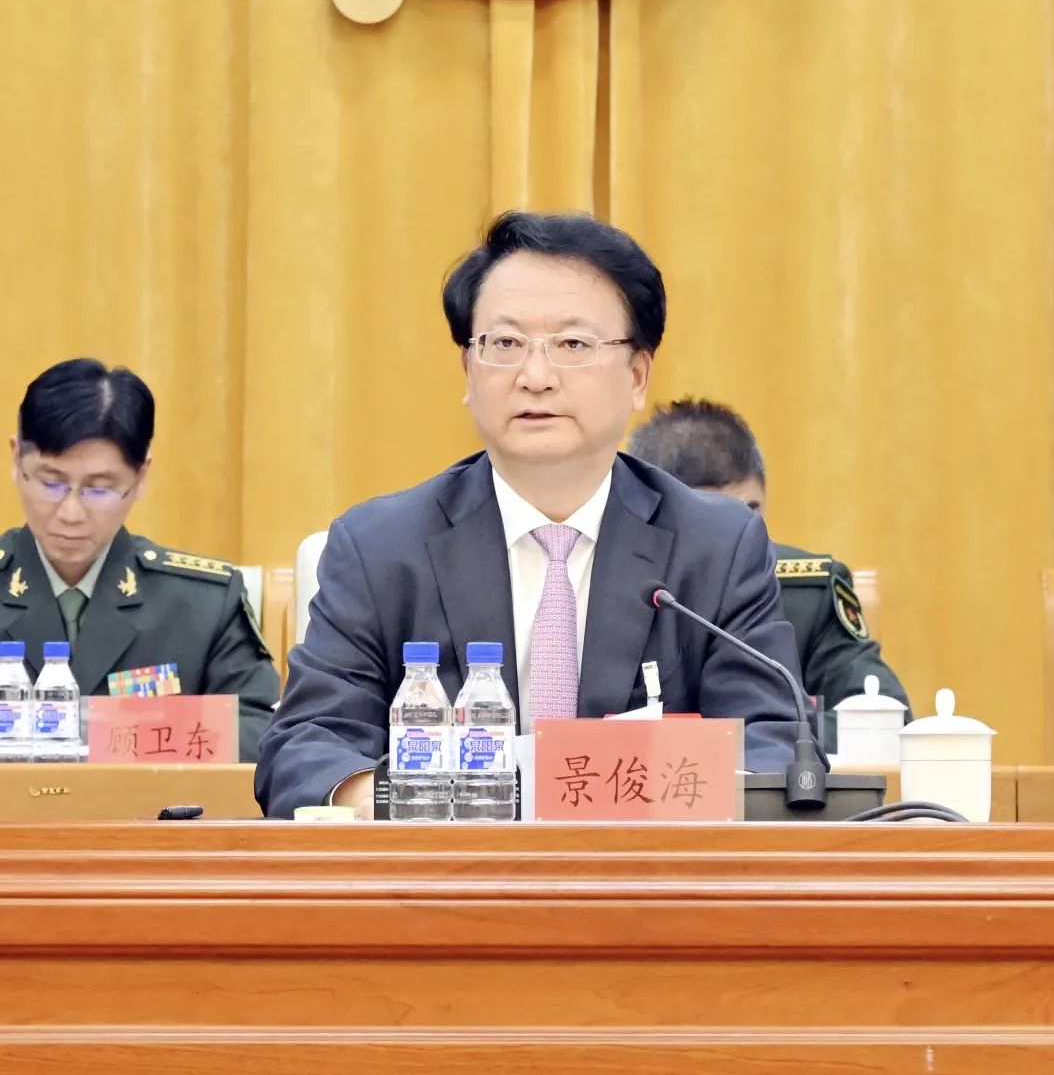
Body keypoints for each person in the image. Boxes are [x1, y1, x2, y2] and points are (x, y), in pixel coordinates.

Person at [256, 210, 817, 818]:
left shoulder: (717, 547)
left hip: (648, 870)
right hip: (446, 870)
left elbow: (772, 744)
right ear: (468, 372)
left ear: (637, 376)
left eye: (573, 345)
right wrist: (412, 803)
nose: (536, 376)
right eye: (505, 344)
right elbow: (306, 746)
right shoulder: (380, 548)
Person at [0, 358, 279, 760]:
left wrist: (104, 730)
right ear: (15, 459)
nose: (70, 513)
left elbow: (260, 734)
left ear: (141, 476)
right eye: (50, 483)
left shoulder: (202, 603)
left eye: (99, 489)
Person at [628, 398, 909, 748]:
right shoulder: (608, 584)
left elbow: (886, 722)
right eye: (709, 518)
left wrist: (775, 731)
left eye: (749, 512)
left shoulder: (807, 593)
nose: (731, 533)